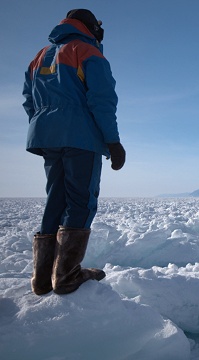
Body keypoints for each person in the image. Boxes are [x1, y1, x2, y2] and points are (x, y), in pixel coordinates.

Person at [22, 9, 125, 295]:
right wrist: (113, 142)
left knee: (56, 199)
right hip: (81, 137)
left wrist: (46, 125)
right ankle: (66, 275)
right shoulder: (88, 52)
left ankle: (42, 279)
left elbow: (29, 101)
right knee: (81, 200)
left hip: (46, 136)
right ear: (92, 28)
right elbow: (102, 101)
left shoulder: (40, 56)